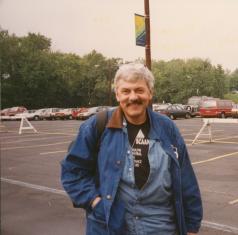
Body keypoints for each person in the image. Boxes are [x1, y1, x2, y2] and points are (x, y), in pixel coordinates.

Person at [61, 63, 203, 235]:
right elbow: (72, 171)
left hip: (161, 227)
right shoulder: (97, 126)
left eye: (139, 90)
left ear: (150, 93)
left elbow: (186, 179)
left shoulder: (167, 128)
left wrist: (192, 227)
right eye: (126, 91)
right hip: (111, 227)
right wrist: (95, 202)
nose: (133, 97)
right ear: (117, 94)